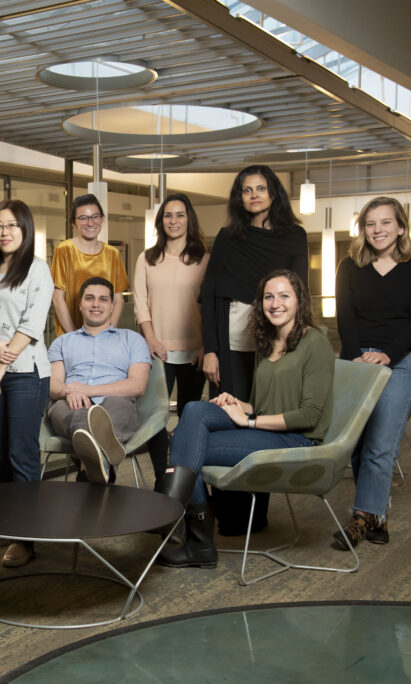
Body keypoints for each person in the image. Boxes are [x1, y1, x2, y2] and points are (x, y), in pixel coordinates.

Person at [157, 269, 334, 569]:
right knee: (195, 411)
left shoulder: (314, 343)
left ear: (299, 301)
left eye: (284, 296)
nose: (275, 303)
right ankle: (190, 533)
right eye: (268, 297)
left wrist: (248, 422)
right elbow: (263, 405)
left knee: (187, 448)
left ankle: (187, 531)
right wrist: (239, 404)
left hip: (296, 440)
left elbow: (309, 415)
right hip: (267, 430)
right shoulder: (268, 343)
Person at [198, 164, 309, 535]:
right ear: (239, 197)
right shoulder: (229, 237)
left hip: (273, 339)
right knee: (227, 417)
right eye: (247, 190)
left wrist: (290, 347)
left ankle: (255, 514)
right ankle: (227, 513)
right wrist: (211, 349)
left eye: (261, 189)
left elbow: (299, 292)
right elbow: (212, 295)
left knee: (262, 422)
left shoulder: (294, 236)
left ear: (273, 193)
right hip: (229, 339)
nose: (254, 196)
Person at [334, 197, 411, 549]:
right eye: (370, 223)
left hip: (400, 361)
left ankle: (360, 519)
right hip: (356, 361)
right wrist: (354, 360)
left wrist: (387, 355)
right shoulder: (349, 266)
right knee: (358, 446)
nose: (377, 230)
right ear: (363, 229)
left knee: (380, 445)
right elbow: (345, 318)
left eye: (385, 222)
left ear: (401, 227)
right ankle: (377, 517)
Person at [0, 199, 54, 568]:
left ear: (25, 230)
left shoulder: (37, 270)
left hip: (25, 373)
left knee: (21, 453)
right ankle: (7, 525)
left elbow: (32, 326)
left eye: (12, 225)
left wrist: (3, 363)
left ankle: (26, 537)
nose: (4, 232)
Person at [133, 192, 209, 491]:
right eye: (168, 215)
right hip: (158, 349)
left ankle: (186, 482)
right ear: (160, 221)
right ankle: (162, 481)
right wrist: (150, 338)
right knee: (155, 418)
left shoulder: (204, 258)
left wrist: (206, 345)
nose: (173, 220)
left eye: (179, 214)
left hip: (196, 351)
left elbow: (209, 306)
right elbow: (140, 302)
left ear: (189, 219)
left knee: (190, 419)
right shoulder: (147, 258)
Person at [47, 277, 151, 484]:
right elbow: (52, 384)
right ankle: (103, 463)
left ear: (112, 306)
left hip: (116, 402)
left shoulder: (133, 339)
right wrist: (70, 392)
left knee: (114, 408)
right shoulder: (62, 342)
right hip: (71, 401)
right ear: (80, 304)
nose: (96, 304)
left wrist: (88, 390)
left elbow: (137, 385)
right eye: (90, 298)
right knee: (71, 410)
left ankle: (88, 470)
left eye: (103, 299)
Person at [50, 194, 130, 338]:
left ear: (102, 219)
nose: (90, 223)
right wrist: (75, 336)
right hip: (70, 335)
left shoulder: (112, 253)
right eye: (83, 218)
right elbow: (57, 298)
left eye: (95, 216)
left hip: (103, 336)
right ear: (74, 223)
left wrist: (108, 333)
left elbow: (118, 300)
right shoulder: (64, 249)